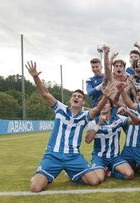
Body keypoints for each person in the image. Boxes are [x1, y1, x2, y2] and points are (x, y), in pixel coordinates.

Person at [26, 61, 115, 192]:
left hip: (73, 156)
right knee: (35, 188)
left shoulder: (84, 116)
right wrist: (35, 76)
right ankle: (40, 174)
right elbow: (45, 94)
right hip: (53, 155)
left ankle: (71, 174)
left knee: (94, 181)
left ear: (83, 102)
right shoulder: (60, 108)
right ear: (70, 100)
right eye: (74, 96)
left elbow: (97, 110)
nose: (76, 97)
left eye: (79, 96)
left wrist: (106, 96)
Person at [85, 98, 140, 183]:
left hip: (115, 157)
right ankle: (94, 167)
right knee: (99, 178)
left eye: (106, 103)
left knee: (130, 174)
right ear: (98, 106)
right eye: (101, 103)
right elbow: (87, 140)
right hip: (99, 157)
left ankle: (110, 172)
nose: (103, 105)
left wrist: (127, 112)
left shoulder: (118, 119)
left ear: (111, 106)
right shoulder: (93, 122)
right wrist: (99, 124)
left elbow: (137, 122)